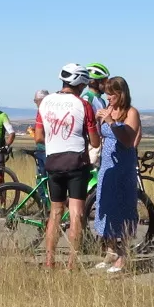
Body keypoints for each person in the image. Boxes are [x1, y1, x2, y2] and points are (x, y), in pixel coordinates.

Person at [39, 66, 97, 269]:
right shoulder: (83, 104)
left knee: (55, 212)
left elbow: (39, 136)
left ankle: (49, 261)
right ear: (80, 84)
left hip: (53, 162)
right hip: (76, 162)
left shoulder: (46, 102)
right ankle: (72, 263)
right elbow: (95, 142)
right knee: (76, 213)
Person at [92, 76, 142, 275]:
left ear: (121, 93)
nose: (108, 96)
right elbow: (99, 136)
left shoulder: (131, 112)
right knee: (108, 207)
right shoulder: (108, 109)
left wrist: (112, 122)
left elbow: (128, 140)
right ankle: (111, 250)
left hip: (123, 166)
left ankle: (125, 254)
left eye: (112, 93)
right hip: (107, 165)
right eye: (106, 92)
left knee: (125, 208)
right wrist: (98, 122)